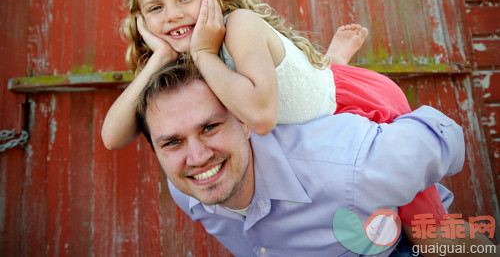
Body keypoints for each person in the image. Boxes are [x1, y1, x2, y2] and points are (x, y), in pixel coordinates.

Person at [101, 0, 440, 234]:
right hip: (300, 111)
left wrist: (204, 52)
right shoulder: (179, 60)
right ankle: (327, 62)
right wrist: (159, 56)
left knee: (424, 225)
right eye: (156, 8)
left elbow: (261, 118)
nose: (173, 14)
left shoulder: (239, 26)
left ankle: (332, 66)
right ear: (141, 21)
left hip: (354, 101)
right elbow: (112, 137)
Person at [135, 55, 468, 256]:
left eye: (210, 128)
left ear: (246, 123)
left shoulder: (347, 166)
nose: (196, 157)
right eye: (172, 143)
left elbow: (445, 136)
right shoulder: (186, 190)